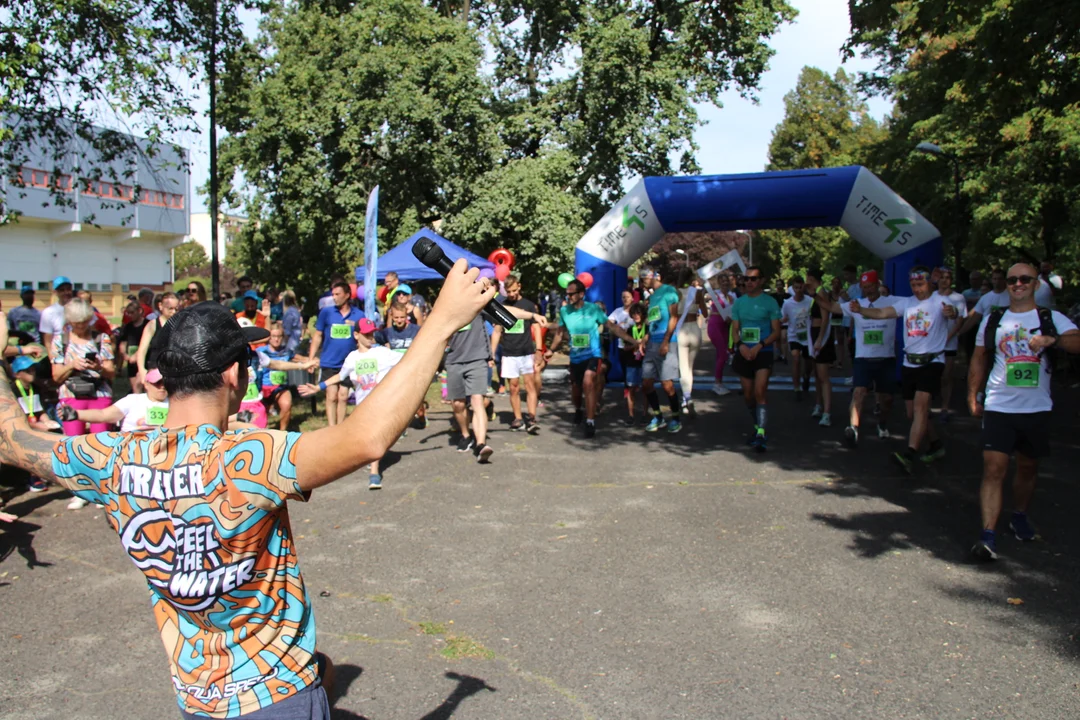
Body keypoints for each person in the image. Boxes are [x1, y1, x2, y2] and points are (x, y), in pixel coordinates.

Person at [0, 264, 493, 717]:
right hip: (277, 697)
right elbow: (366, 438)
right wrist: (442, 321)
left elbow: (14, 440)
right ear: (235, 374)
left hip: (198, 698)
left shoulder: (110, 458)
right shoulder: (249, 458)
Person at [967, 263, 1080, 561]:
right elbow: (979, 357)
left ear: (1035, 285)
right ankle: (988, 535)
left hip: (1036, 407)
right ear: (1006, 285)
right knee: (993, 469)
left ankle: (1019, 514)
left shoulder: (1050, 318)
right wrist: (972, 394)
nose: (1018, 284)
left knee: (1028, 468)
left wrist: (1052, 339)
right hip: (999, 404)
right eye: (1012, 280)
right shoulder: (994, 319)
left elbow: (1077, 342)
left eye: (1024, 279)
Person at [849, 266, 958, 474]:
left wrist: (951, 312)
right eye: (914, 285)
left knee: (919, 407)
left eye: (921, 284)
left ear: (929, 282)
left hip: (932, 362)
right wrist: (861, 310)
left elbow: (953, 313)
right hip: (910, 363)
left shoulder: (939, 301)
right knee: (913, 414)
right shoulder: (906, 303)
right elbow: (882, 312)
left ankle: (909, 454)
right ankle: (935, 445)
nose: (917, 289)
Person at [300, 318, 405, 488]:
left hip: (381, 404)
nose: (371, 336)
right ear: (356, 335)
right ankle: (362, 463)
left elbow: (406, 358)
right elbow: (340, 377)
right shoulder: (352, 358)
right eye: (366, 333)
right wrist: (318, 387)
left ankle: (374, 471)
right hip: (363, 406)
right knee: (365, 438)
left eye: (372, 332)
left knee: (374, 436)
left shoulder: (382, 353)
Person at [818, 270, 903, 446]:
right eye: (864, 287)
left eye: (870, 286)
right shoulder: (856, 304)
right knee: (859, 392)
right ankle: (853, 429)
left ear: (877, 285)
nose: (868, 290)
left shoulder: (892, 301)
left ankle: (882, 423)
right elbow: (833, 307)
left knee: (887, 399)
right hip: (863, 358)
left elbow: (915, 305)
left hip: (886, 358)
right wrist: (814, 294)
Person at [545, 279, 638, 438]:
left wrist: (633, 340)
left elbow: (612, 326)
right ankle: (578, 410)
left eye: (572, 294)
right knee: (576, 390)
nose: (568, 297)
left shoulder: (593, 309)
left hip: (593, 354)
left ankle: (590, 421)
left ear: (581, 294)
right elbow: (560, 333)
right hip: (575, 357)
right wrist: (551, 350)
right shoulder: (565, 311)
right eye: (567, 294)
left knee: (588, 381)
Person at [50, 297, 116, 508]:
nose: (80, 327)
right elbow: (56, 376)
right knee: (73, 443)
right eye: (76, 324)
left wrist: (98, 367)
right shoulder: (60, 340)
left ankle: (102, 488)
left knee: (100, 443)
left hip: (98, 394)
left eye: (84, 322)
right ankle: (81, 491)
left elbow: (112, 372)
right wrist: (71, 365)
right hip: (71, 395)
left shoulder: (101, 338)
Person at [730, 266, 782, 450]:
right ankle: (757, 425)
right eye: (746, 279)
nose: (749, 282)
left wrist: (760, 345)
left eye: (753, 279)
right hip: (744, 352)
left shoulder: (770, 302)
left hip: (763, 351)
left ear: (761, 281)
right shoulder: (739, 303)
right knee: (748, 396)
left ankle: (761, 433)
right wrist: (741, 346)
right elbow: (735, 330)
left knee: (760, 392)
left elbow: (777, 331)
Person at [490, 275, 543, 434]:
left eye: (514, 290)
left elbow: (536, 328)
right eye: (508, 291)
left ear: (519, 286)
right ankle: (518, 418)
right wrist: (492, 354)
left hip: (526, 351)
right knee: (513, 387)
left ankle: (532, 417)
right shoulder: (502, 306)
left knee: (529, 385)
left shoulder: (528, 305)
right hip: (509, 353)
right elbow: (497, 332)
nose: (512, 294)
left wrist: (539, 349)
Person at [309, 280, 365, 427]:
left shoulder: (358, 314)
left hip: (348, 363)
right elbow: (318, 335)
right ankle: (331, 428)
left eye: (337, 294)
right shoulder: (326, 313)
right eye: (333, 294)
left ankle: (340, 428)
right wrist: (311, 357)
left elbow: (364, 336)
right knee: (331, 395)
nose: (334, 297)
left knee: (343, 396)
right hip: (329, 361)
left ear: (347, 295)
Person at [637, 266, 684, 433]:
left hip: (667, 342)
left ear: (656, 276)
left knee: (667, 384)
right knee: (646, 383)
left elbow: (674, 317)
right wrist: (645, 338)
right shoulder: (652, 297)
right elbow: (654, 321)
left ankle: (676, 417)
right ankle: (658, 416)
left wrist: (666, 341)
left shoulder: (668, 291)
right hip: (652, 343)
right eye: (641, 278)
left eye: (645, 277)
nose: (643, 280)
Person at [60, 366, 170, 432]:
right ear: (146, 384)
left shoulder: (177, 403)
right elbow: (103, 415)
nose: (162, 386)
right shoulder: (133, 401)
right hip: (134, 451)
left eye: (165, 382)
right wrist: (77, 414)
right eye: (157, 383)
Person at [256, 324, 316, 431]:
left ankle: (282, 431)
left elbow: (301, 359)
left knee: (286, 404)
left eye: (279, 336)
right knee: (261, 414)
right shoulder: (261, 352)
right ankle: (261, 431)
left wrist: (313, 361)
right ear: (269, 337)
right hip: (263, 388)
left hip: (281, 387)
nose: (276, 339)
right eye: (274, 336)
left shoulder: (286, 351)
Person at [376, 305, 427, 429]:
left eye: (402, 317)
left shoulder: (415, 330)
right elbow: (375, 339)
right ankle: (398, 425)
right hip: (395, 371)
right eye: (396, 317)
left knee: (416, 402)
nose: (399, 320)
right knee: (397, 398)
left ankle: (421, 414)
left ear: (407, 316)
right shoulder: (387, 332)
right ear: (392, 317)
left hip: (413, 369)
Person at [935, 267, 968, 421]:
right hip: (932, 344)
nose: (944, 280)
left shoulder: (958, 298)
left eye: (947, 277)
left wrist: (948, 337)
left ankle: (945, 407)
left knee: (946, 376)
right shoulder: (931, 296)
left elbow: (960, 320)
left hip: (949, 343)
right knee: (932, 375)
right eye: (942, 277)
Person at [805, 269, 835, 426]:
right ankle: (818, 404)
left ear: (811, 278)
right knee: (817, 374)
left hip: (820, 336)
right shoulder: (814, 293)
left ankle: (827, 412)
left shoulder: (821, 292)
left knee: (823, 376)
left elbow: (825, 319)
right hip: (813, 333)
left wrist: (819, 340)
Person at [676, 278, 709, 417]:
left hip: (681, 328)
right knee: (690, 367)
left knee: (683, 368)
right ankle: (686, 397)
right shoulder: (697, 293)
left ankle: (686, 397)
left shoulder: (676, 292)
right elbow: (705, 313)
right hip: (694, 328)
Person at [950, 267, 1011, 343]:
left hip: (1006, 335)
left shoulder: (1012, 297)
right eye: (995, 279)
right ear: (991, 280)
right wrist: (958, 333)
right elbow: (973, 319)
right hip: (987, 335)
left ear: (1005, 280)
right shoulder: (985, 298)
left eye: (1000, 279)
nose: (997, 281)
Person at [780, 276, 813, 403]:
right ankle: (796, 388)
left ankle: (806, 376)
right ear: (792, 288)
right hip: (794, 335)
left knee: (808, 363)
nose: (798, 290)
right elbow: (783, 318)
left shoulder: (810, 301)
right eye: (796, 288)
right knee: (796, 359)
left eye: (800, 287)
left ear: (804, 287)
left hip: (807, 336)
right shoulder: (787, 303)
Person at [706, 272, 737, 397]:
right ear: (719, 282)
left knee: (722, 355)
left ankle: (719, 382)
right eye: (722, 281)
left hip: (726, 327)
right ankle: (717, 384)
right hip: (715, 326)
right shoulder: (715, 295)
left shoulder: (731, 297)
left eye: (726, 281)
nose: (725, 283)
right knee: (723, 354)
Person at [135, 291, 180, 377]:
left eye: (176, 309)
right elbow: (142, 350)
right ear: (160, 306)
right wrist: (141, 370)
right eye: (170, 308)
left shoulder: (181, 325)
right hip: (155, 370)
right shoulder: (152, 325)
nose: (174, 312)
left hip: (175, 371)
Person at [39, 276, 74, 361]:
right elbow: (48, 339)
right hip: (59, 350)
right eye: (62, 290)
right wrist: (52, 356)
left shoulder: (80, 308)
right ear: (55, 292)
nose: (66, 292)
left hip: (77, 350)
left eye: (68, 289)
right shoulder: (49, 312)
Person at [118, 301, 149, 393]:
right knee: (136, 388)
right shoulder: (128, 327)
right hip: (131, 361)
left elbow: (150, 343)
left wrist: (137, 354)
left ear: (139, 311)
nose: (130, 315)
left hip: (146, 360)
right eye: (128, 313)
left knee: (145, 387)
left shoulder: (147, 325)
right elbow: (123, 342)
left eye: (132, 312)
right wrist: (124, 354)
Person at [281, 289, 303, 355]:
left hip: (291, 343)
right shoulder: (295, 310)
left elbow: (287, 331)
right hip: (296, 340)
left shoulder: (289, 312)